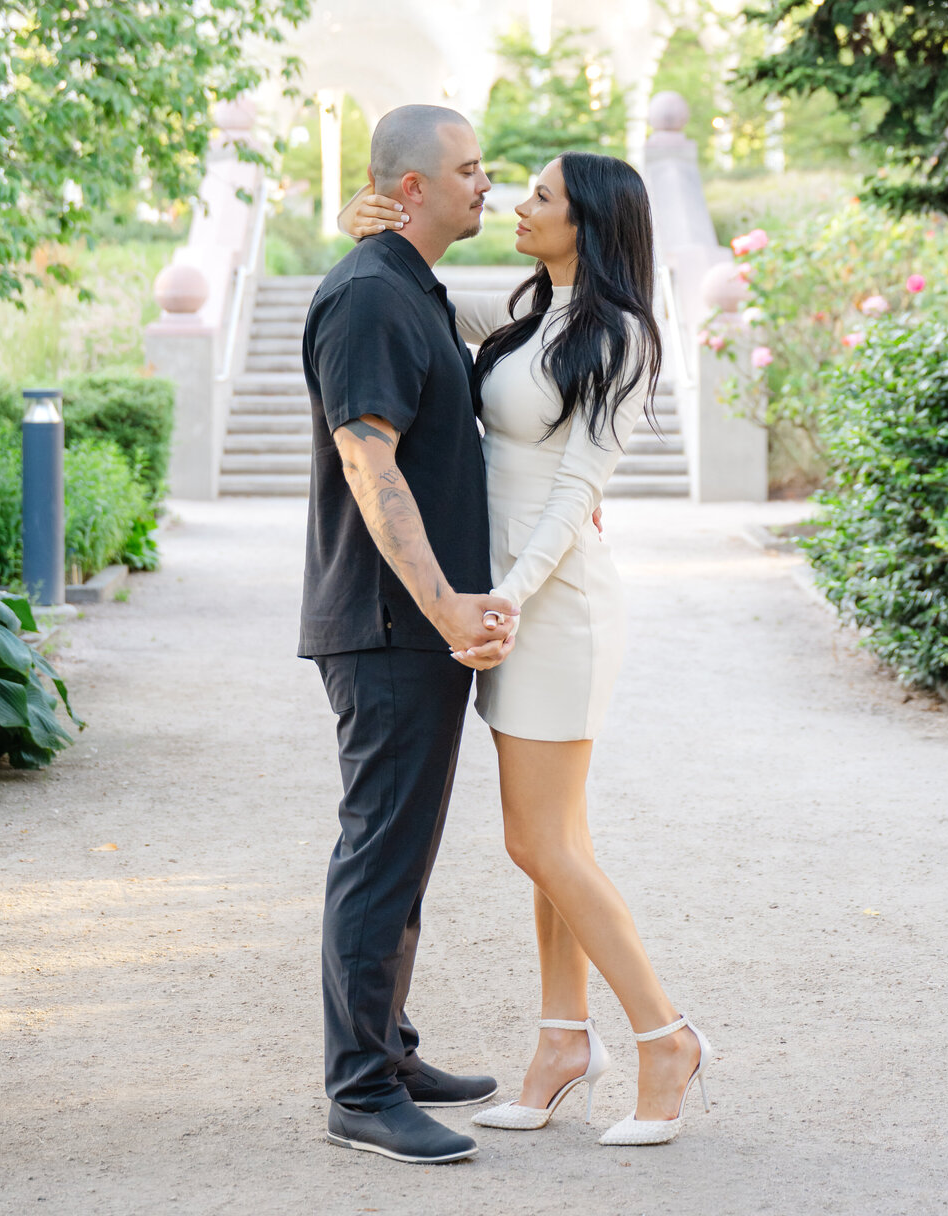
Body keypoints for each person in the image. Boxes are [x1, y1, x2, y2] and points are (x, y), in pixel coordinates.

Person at [340, 146, 711, 1147]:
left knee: (537, 841)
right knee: (556, 845)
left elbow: (574, 492)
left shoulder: (620, 336)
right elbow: (425, 313)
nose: (514, 201)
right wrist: (374, 232)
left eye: (540, 195)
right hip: (506, 607)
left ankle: (664, 1037)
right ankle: (560, 1045)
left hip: (553, 607)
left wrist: (500, 596)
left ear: (586, 220)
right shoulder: (526, 319)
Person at [300, 104, 518, 1166]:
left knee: (404, 853)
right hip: (390, 624)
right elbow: (368, 463)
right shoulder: (371, 295)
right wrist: (443, 607)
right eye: (472, 170)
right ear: (416, 186)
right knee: (380, 853)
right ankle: (358, 1092)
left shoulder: (408, 285)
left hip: (411, 626)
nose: (492, 185)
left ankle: (386, 1050)